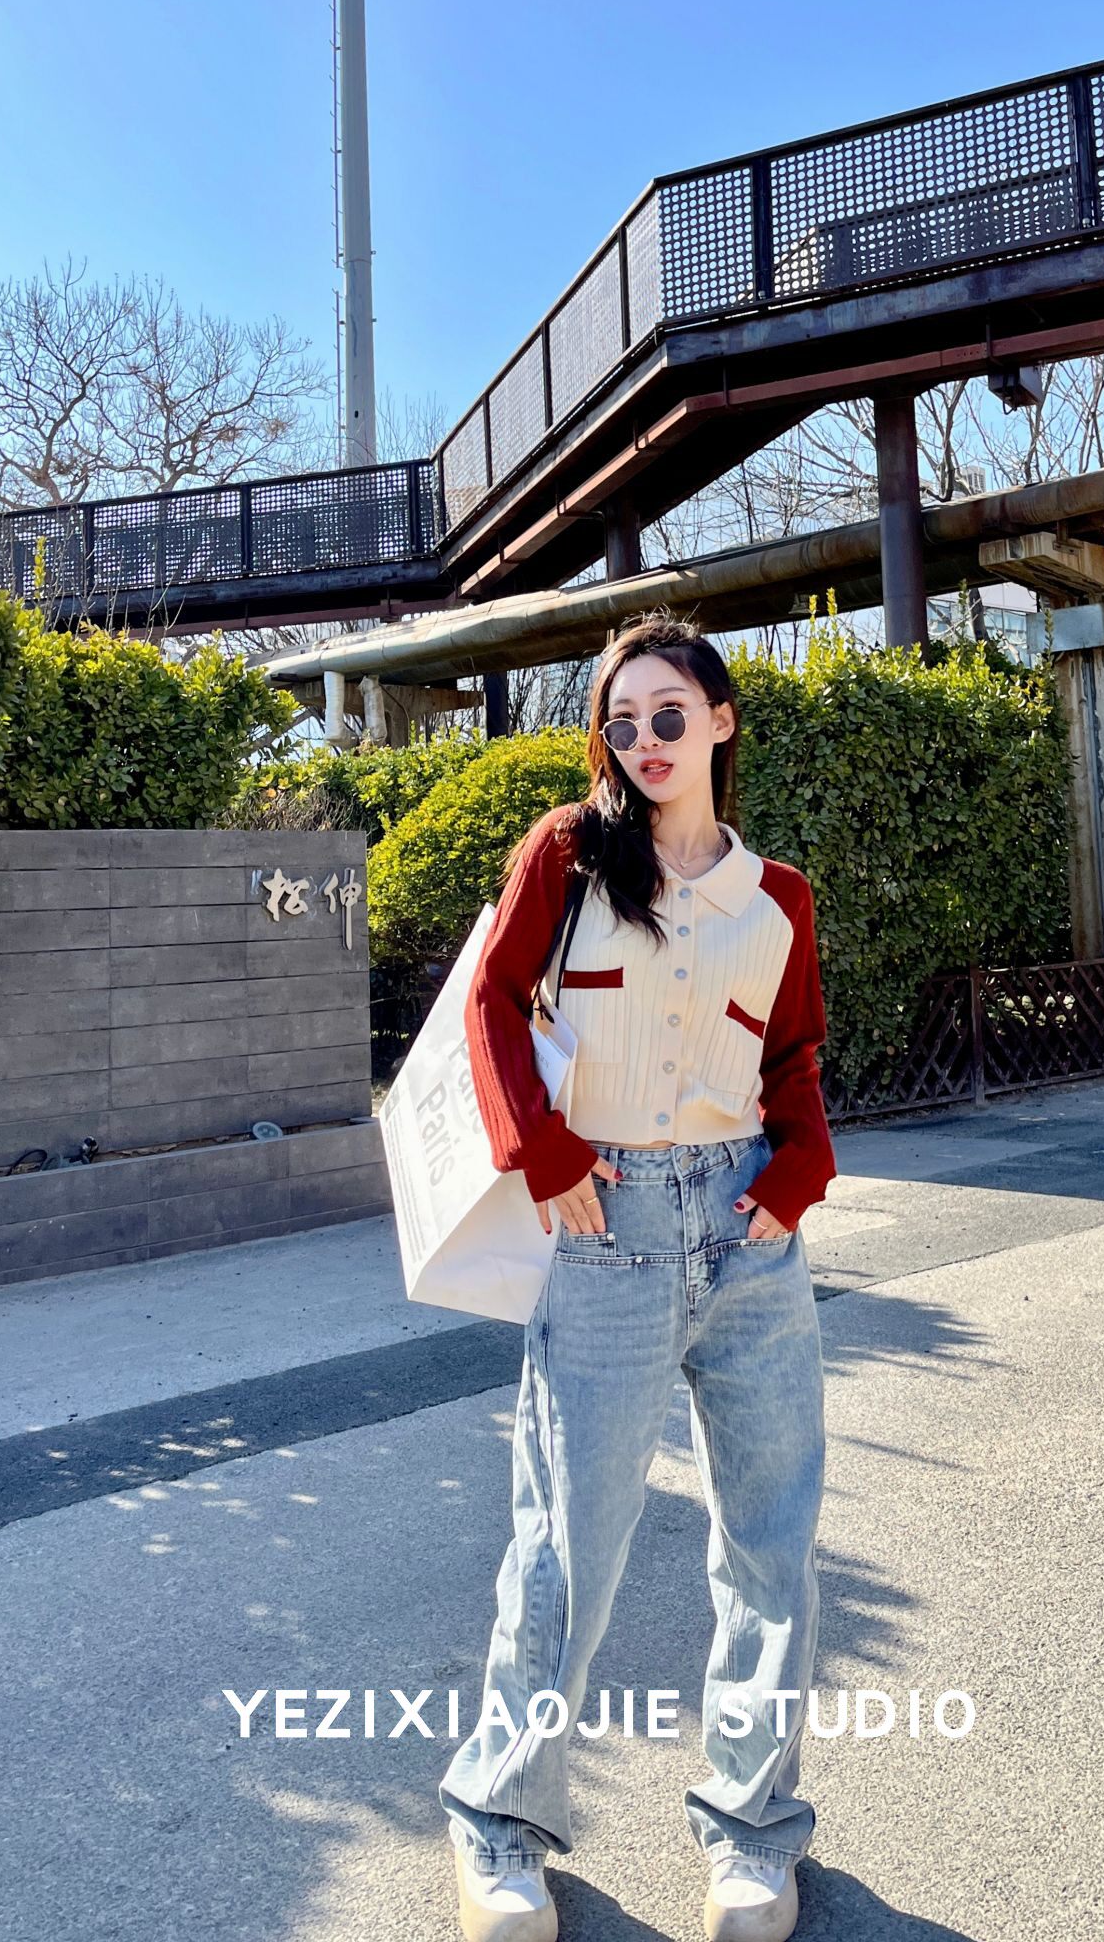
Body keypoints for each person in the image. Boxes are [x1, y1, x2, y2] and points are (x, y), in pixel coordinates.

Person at [439, 609, 837, 1942]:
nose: (646, 741)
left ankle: (753, 1833)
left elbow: (794, 1061)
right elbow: (493, 1002)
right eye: (622, 723)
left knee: (770, 1546)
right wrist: (542, 1153)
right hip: (604, 1229)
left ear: (721, 722)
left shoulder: (779, 899)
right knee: (567, 1550)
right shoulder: (568, 854)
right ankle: (498, 1828)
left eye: (670, 716)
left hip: (748, 1234)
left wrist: (797, 1176)